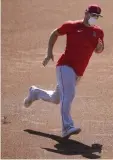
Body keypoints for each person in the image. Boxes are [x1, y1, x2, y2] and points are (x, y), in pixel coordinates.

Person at [24, 4, 104, 139]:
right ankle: (67, 127)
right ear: (86, 13)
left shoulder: (99, 32)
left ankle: (35, 93)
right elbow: (54, 34)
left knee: (56, 98)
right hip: (65, 66)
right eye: (92, 15)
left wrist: (99, 48)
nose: (94, 18)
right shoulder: (72, 26)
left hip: (78, 72)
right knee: (69, 94)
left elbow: (98, 50)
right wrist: (49, 53)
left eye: (96, 16)